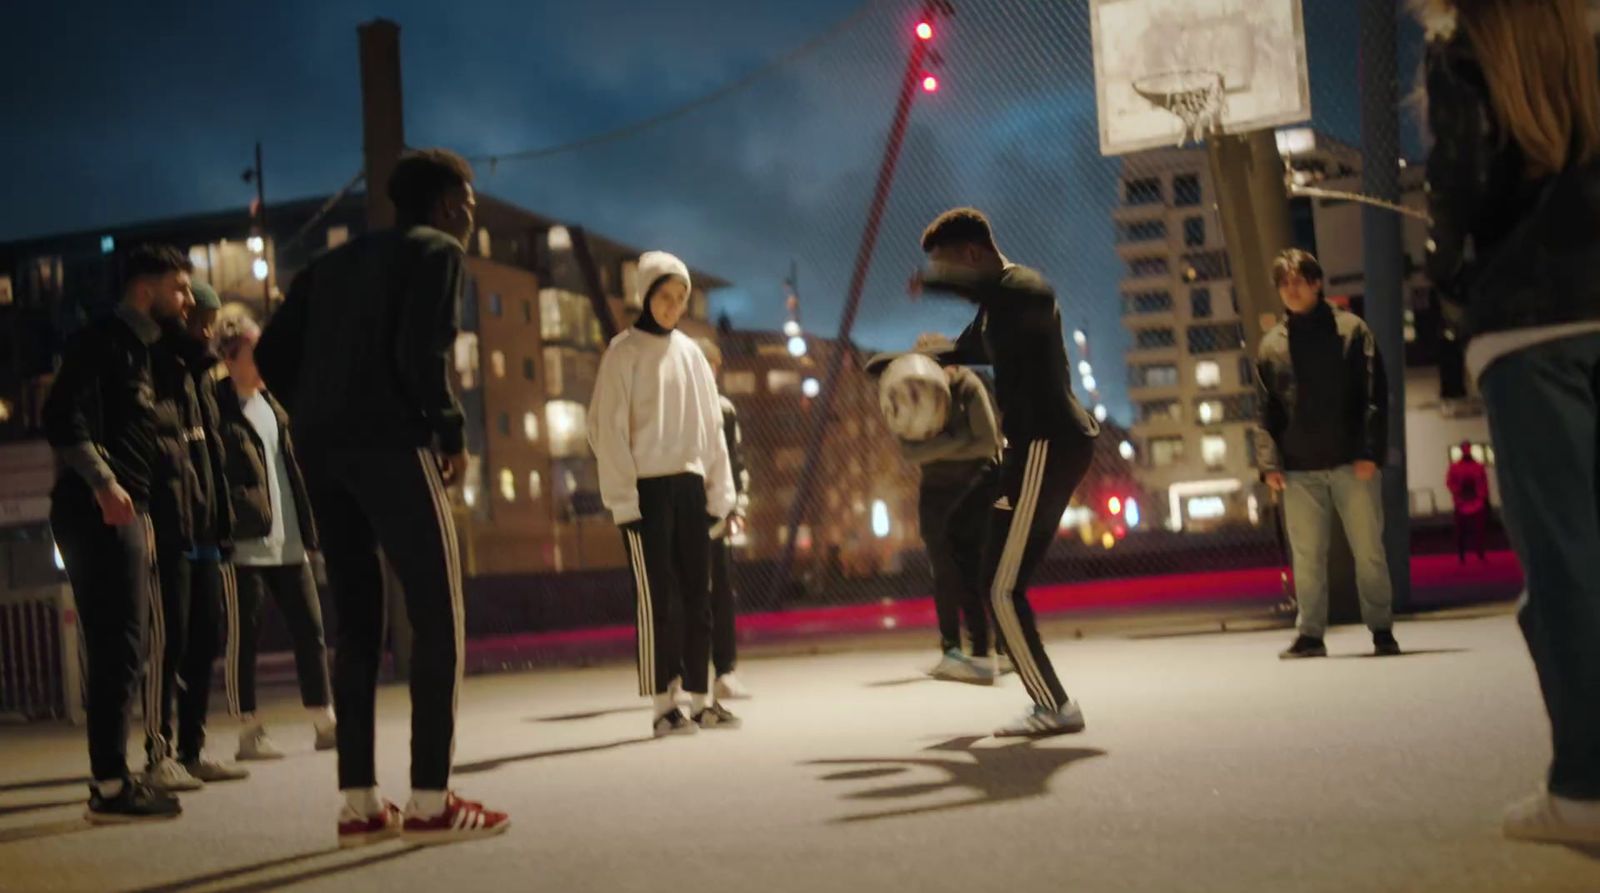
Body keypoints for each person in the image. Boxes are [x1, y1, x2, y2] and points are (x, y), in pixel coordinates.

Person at [255, 148, 508, 847]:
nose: (471, 216)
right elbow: (420, 355)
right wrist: (449, 429)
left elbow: (270, 354)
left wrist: (315, 406)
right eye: (470, 204)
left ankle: (359, 801)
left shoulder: (329, 265)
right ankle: (430, 798)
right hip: (390, 445)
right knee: (436, 614)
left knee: (358, 622)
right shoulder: (436, 253)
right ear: (448, 204)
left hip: (320, 449)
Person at [1420, 0, 1600, 844]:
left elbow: (1461, 191)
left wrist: (1451, 280)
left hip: (1527, 324)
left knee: (1567, 564)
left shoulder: (1466, 50)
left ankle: (1585, 788)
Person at [910, 207, 1100, 737]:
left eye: (950, 266)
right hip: (1028, 450)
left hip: (1047, 442)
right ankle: (981, 657)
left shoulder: (1022, 287)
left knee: (1002, 587)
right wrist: (913, 358)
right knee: (960, 531)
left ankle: (1053, 705)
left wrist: (933, 283)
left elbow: (1021, 304)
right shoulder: (996, 306)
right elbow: (970, 347)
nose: (948, 276)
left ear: (972, 257)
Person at [43, 244, 191, 822]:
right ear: (143, 289)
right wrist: (105, 484)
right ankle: (109, 786)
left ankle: (112, 778)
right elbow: (60, 415)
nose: (184, 300)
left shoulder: (141, 349)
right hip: (94, 512)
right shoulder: (102, 340)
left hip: (125, 513)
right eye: (176, 288)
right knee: (118, 646)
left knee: (125, 646)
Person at [589, 251, 740, 737]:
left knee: (700, 595)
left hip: (690, 486)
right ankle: (663, 705)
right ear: (645, 294)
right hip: (646, 491)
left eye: (681, 299)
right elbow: (605, 430)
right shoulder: (623, 353)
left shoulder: (692, 354)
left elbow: (711, 425)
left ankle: (701, 699)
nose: (673, 307)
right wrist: (624, 499)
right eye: (665, 297)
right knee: (659, 599)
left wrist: (722, 491)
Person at [1255, 249, 1400, 660]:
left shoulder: (1352, 330)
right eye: (1284, 283)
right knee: (1306, 556)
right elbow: (1265, 411)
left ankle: (1382, 628)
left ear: (1318, 283)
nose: (1291, 289)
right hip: (1299, 467)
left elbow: (1374, 394)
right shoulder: (1272, 346)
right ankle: (1311, 634)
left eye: (1299, 280)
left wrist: (1370, 451)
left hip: (1352, 461)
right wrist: (1269, 464)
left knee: (1368, 548)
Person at [214, 314, 337, 760]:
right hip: (244, 543)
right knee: (243, 638)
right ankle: (248, 730)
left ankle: (324, 719)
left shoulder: (275, 404)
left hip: (288, 540)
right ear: (230, 359)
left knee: (311, 628)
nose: (263, 360)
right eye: (252, 352)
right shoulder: (217, 408)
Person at [143, 281, 246, 791]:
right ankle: (157, 751)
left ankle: (193, 747)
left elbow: (213, 458)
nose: (207, 331)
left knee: (206, 636)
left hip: (204, 526)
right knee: (171, 640)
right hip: (172, 526)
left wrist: (221, 520)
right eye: (200, 321)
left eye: (210, 322)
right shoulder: (161, 366)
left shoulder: (204, 379)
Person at [869, 342, 1003, 684]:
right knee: (942, 570)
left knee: (979, 569)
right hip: (936, 492)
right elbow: (910, 453)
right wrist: (960, 440)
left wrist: (935, 447)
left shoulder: (968, 387)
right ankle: (950, 650)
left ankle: (992, 648)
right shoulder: (912, 390)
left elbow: (988, 443)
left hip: (974, 488)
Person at [693, 337, 752, 702]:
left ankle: (725, 672)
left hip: (716, 510)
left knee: (722, 595)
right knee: (688, 595)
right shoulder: (676, 409)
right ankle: (687, 674)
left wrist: (737, 507)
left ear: (715, 368)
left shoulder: (724, 409)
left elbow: (736, 462)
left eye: (707, 363)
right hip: (684, 513)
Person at [1446, 440, 1491, 563]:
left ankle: (1480, 553)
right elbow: (1450, 482)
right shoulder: (1454, 467)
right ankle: (1461, 555)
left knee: (1479, 530)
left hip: (1477, 502)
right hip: (1461, 502)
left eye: (1468, 448)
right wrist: (1458, 490)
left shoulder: (1478, 466)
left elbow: (1484, 483)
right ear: (1461, 450)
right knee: (1461, 531)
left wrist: (1483, 497)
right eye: (1464, 448)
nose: (1466, 450)